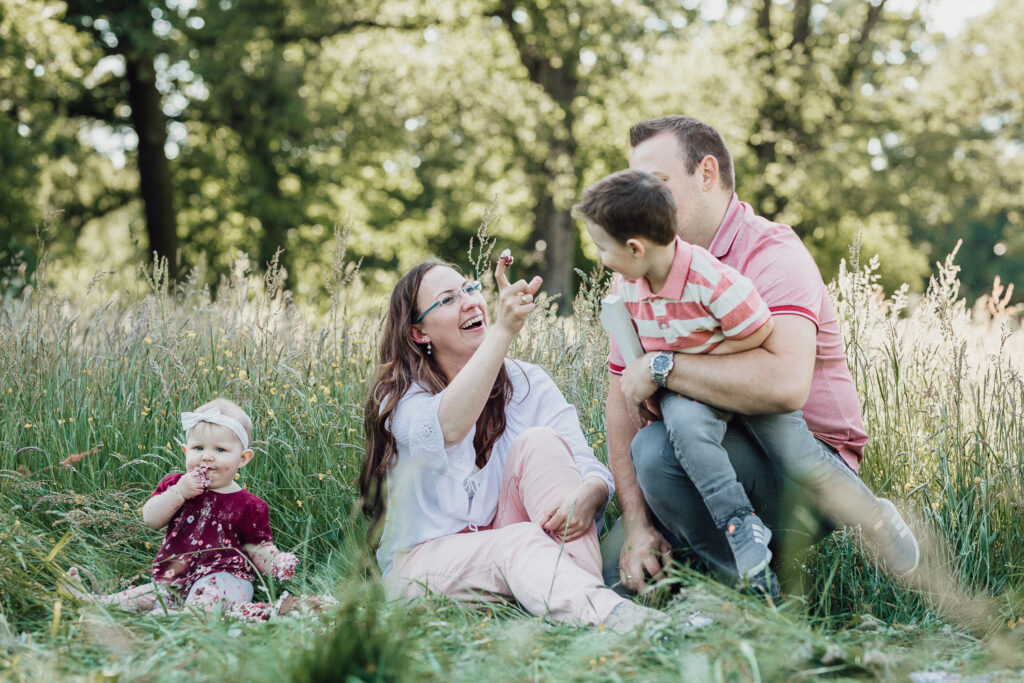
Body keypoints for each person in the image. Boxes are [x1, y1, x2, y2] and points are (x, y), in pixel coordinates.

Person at [602, 115, 918, 595]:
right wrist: (636, 525)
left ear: (706, 174)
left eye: (656, 184)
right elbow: (619, 399)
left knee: (656, 450)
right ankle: (698, 569)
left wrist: (662, 368)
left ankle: (741, 597)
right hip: (703, 459)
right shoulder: (638, 268)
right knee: (603, 576)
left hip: (798, 464)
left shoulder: (772, 253)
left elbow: (784, 386)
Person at [359, 255, 669, 632]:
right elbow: (451, 426)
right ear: (418, 333)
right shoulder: (399, 398)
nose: (472, 301)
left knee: (542, 442)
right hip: (423, 564)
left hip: (513, 546)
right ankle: (614, 617)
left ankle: (574, 611)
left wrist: (593, 489)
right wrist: (504, 332)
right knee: (517, 542)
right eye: (449, 299)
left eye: (470, 288)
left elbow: (585, 463)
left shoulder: (527, 382)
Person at [63, 398, 304, 620]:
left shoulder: (250, 505)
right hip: (175, 577)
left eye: (220, 450)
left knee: (209, 597)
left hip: (226, 578)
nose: (207, 457)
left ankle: (180, 619)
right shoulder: (174, 485)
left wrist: (277, 562)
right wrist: (179, 493)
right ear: (185, 451)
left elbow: (259, 547)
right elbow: (150, 519)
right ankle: (95, 603)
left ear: (243, 458)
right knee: (142, 596)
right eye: (198, 448)